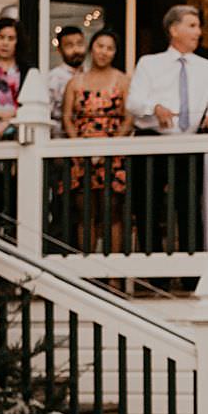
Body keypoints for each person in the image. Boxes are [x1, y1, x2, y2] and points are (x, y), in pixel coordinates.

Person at [127, 4, 208, 260]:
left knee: (190, 207)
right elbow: (133, 103)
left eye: (198, 26)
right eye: (192, 26)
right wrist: (155, 108)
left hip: (188, 144)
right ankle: (153, 273)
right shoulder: (149, 63)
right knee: (148, 207)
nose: (199, 32)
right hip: (152, 143)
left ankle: (191, 272)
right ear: (174, 30)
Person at [62, 27, 130, 257]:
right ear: (92, 48)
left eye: (110, 48)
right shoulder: (76, 82)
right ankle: (88, 273)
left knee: (112, 211)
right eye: (100, 46)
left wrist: (111, 147)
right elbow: (67, 117)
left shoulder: (122, 80)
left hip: (112, 151)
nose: (104, 52)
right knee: (85, 211)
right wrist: (78, 146)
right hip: (81, 151)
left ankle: (113, 278)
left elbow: (128, 118)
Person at [48, 26, 88, 126]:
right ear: (59, 50)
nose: (76, 50)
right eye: (69, 46)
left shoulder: (91, 74)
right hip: (61, 137)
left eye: (80, 44)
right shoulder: (53, 78)